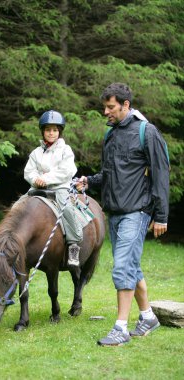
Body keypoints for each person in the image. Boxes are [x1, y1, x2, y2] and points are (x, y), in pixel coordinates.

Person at [76, 83, 170, 346]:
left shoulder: (146, 132)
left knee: (122, 268)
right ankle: (148, 316)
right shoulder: (111, 135)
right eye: (104, 107)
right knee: (131, 266)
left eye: (111, 107)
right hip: (114, 213)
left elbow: (161, 175)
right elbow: (109, 173)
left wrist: (161, 216)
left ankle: (120, 328)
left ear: (126, 105)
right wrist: (89, 181)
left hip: (137, 212)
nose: (106, 112)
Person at [24, 110, 82, 267]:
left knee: (68, 209)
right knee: (19, 205)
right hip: (37, 188)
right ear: (43, 131)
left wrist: (46, 179)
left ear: (60, 132)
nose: (51, 133)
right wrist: (36, 179)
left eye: (55, 130)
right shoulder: (36, 153)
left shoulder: (65, 150)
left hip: (59, 189)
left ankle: (74, 245)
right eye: (48, 130)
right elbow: (29, 171)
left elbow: (67, 170)